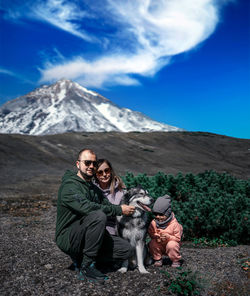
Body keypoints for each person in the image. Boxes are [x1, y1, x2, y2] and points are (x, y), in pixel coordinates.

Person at [55, 149, 135, 284]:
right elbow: (88, 207)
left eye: (94, 164)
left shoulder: (93, 188)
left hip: (89, 233)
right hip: (68, 236)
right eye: (87, 163)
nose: (91, 166)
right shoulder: (69, 186)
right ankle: (87, 267)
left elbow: (106, 204)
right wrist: (119, 209)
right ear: (78, 164)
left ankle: (82, 258)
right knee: (98, 215)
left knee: (126, 250)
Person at [148, 194, 183, 268]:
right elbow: (151, 233)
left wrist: (169, 237)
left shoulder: (174, 224)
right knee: (152, 243)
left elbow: (178, 238)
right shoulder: (154, 223)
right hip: (160, 244)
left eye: (161, 214)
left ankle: (175, 260)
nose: (158, 217)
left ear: (168, 213)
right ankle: (158, 259)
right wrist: (155, 236)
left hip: (171, 244)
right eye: (155, 214)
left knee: (172, 245)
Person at [93, 159, 125, 235]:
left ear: (110, 171)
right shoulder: (92, 191)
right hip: (96, 230)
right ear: (96, 175)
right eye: (100, 172)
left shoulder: (122, 192)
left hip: (116, 231)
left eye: (106, 170)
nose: (104, 174)